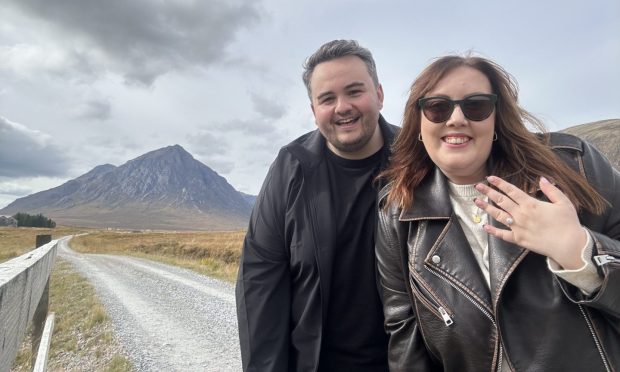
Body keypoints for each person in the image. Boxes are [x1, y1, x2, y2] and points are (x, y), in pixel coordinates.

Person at [376, 54, 620, 371]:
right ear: (419, 124)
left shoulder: (574, 165)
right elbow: (404, 335)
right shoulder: (397, 214)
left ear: (495, 119)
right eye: (438, 107)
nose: (457, 119)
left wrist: (581, 253)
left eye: (476, 106)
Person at [235, 40, 398, 372]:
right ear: (313, 110)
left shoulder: (417, 160)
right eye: (327, 98)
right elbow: (260, 281)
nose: (342, 107)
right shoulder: (291, 168)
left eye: (355, 91)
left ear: (379, 94)